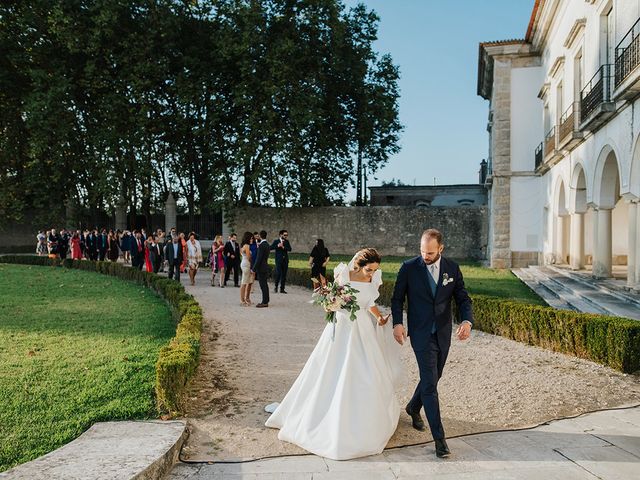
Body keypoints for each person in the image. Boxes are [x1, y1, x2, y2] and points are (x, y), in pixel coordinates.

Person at [266, 248, 404, 460]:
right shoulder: (343, 274)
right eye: (369, 270)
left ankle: (366, 420)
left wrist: (379, 318)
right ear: (358, 265)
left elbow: (369, 302)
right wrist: (330, 305)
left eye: (375, 270)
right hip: (342, 328)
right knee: (332, 369)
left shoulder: (373, 277)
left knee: (366, 373)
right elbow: (330, 303)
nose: (371, 274)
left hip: (363, 330)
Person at [391, 228, 474, 459]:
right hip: (420, 333)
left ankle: (413, 407)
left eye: (429, 253)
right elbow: (397, 298)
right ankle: (440, 440)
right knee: (430, 383)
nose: (425, 256)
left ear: (440, 249)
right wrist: (397, 323)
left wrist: (467, 321)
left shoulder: (452, 269)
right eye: (422, 251)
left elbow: (463, 298)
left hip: (443, 332)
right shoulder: (409, 268)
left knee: (435, 376)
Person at [253, 230, 270, 308]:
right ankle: (266, 300)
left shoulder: (261, 245)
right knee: (265, 285)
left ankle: (264, 302)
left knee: (263, 285)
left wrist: (253, 268)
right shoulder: (267, 244)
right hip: (265, 266)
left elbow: (258, 258)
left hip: (261, 268)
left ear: (260, 236)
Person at [239, 232, 255, 305]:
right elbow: (249, 257)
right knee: (244, 282)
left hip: (244, 263)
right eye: (251, 238)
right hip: (247, 264)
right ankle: (242, 300)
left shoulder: (243, 246)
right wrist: (253, 266)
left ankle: (247, 298)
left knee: (249, 281)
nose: (252, 239)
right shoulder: (247, 246)